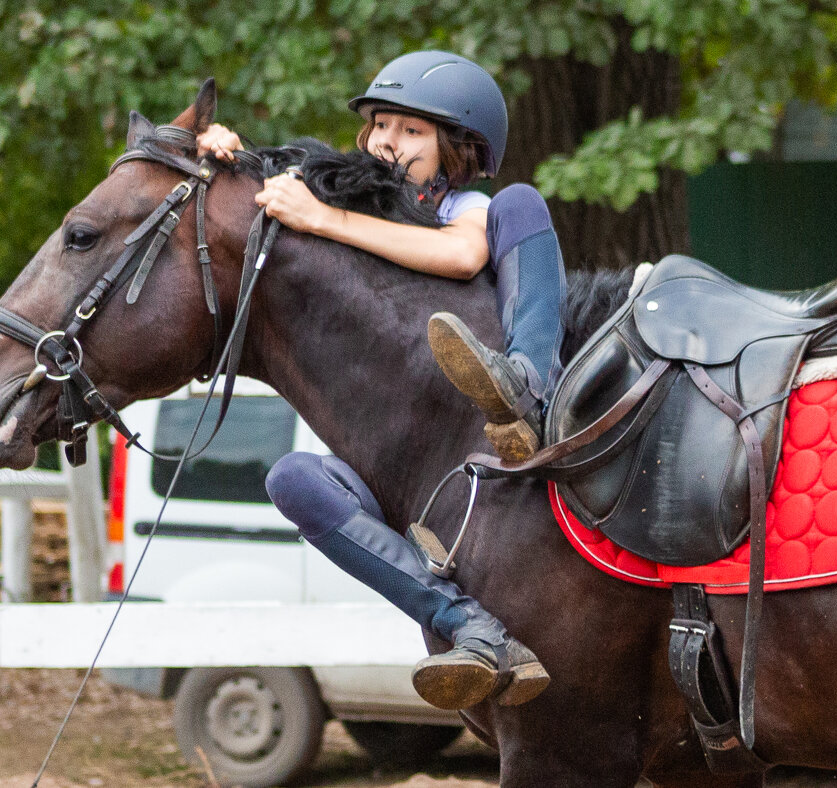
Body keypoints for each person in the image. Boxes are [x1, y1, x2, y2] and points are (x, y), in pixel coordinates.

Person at [196, 51, 566, 710]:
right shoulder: (349, 197)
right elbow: (283, 183)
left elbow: (462, 254)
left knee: (523, 202)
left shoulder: (468, 206)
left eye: (412, 130)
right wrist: (228, 154)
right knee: (292, 478)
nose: (387, 141)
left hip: (480, 427)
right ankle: (464, 625)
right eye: (381, 124)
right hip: (400, 460)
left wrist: (320, 219)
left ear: (456, 148)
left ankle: (528, 387)